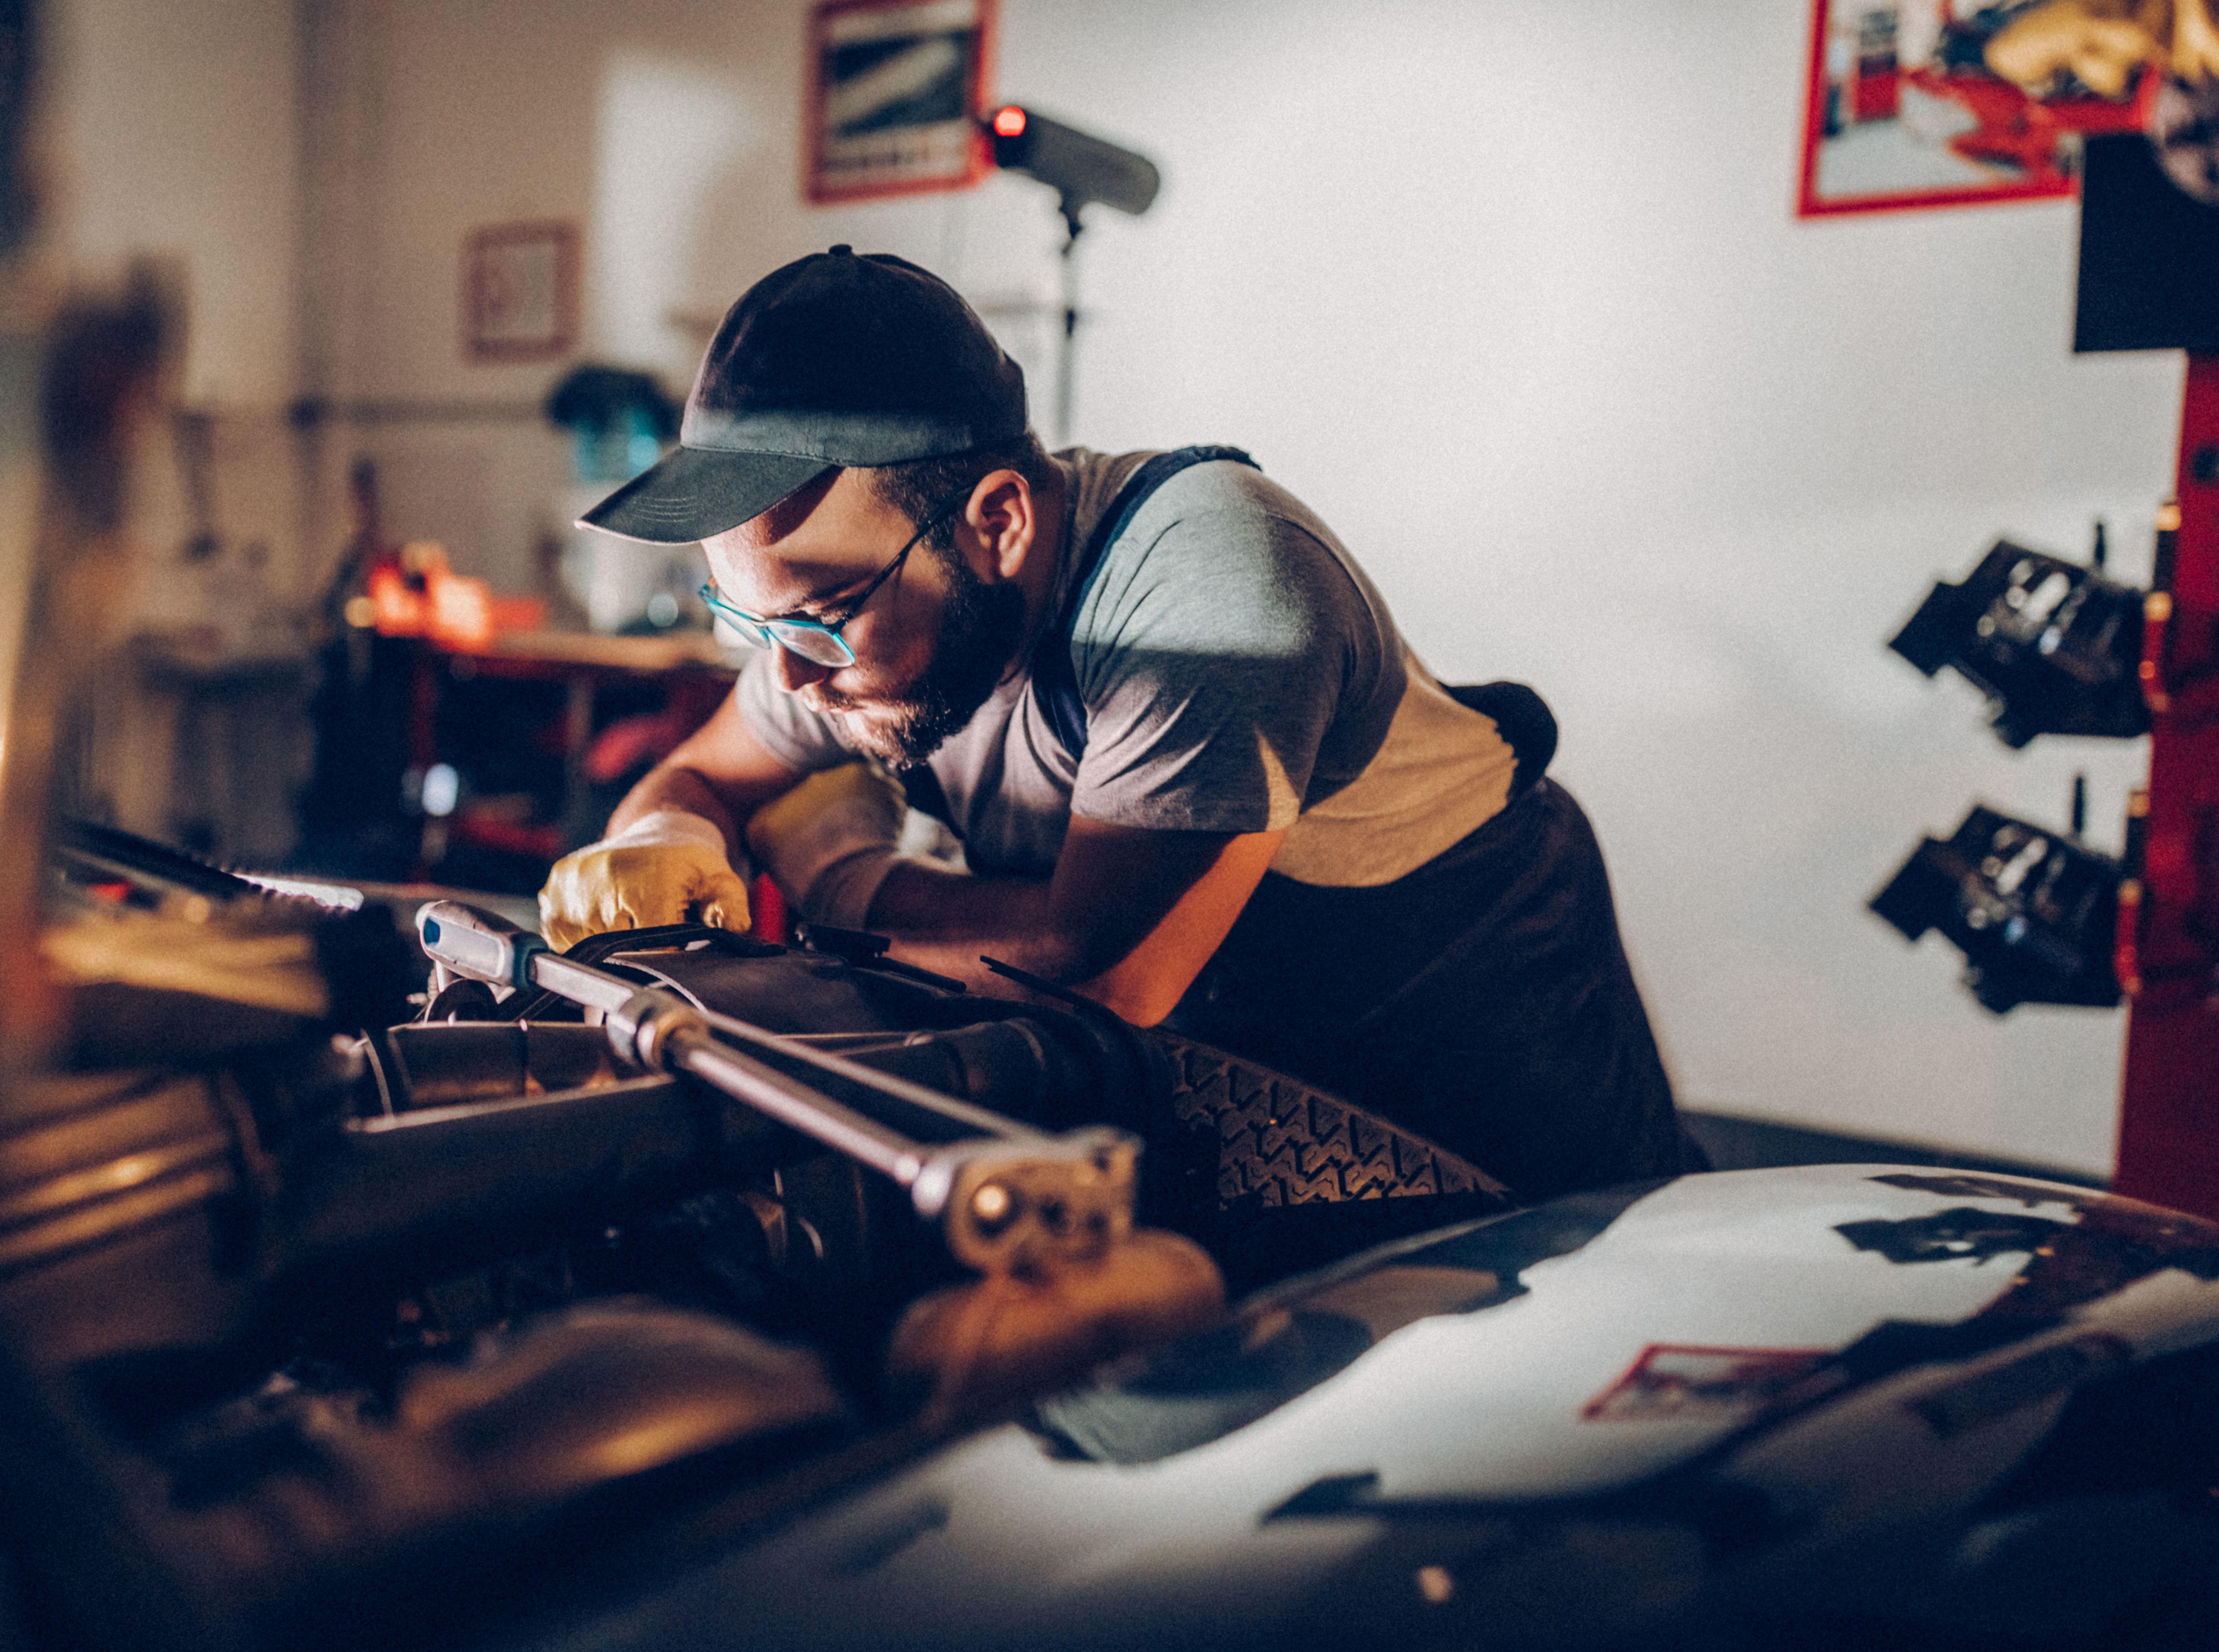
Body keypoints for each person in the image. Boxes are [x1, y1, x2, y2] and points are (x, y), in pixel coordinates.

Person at [542, 246, 1681, 1199]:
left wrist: (835, 872)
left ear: (996, 523)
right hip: (1224, 1078)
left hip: (1470, 1031)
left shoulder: (1215, 585)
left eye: (819, 618)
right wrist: (668, 836)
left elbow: (1101, 976)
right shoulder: (854, 621)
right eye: (746, 619)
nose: (788, 677)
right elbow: (701, 776)